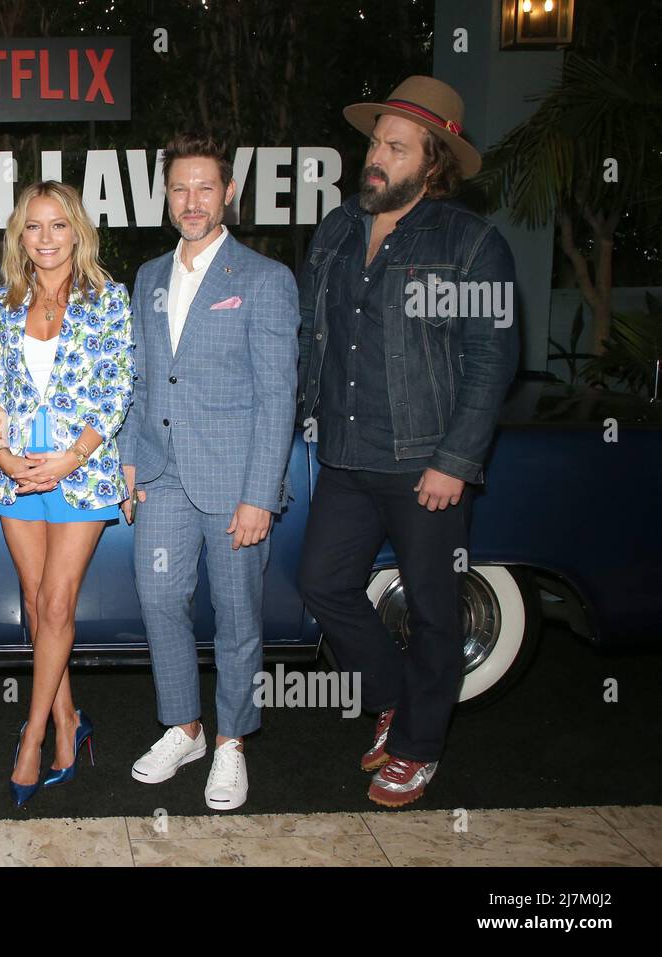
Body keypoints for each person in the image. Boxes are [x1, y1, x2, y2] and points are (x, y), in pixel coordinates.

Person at [295, 76, 518, 808]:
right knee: (322, 583)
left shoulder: (469, 242)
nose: (377, 157)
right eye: (375, 142)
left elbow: (491, 360)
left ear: (435, 161)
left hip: (425, 460)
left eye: (396, 146)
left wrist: (455, 459)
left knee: (432, 608)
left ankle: (418, 746)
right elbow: (311, 336)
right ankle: (393, 697)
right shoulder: (336, 228)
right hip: (345, 457)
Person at [118, 133, 299, 812]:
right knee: (160, 598)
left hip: (233, 484)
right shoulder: (149, 279)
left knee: (237, 617)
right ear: (166, 197)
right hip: (161, 475)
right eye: (179, 189)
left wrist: (260, 495)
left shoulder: (263, 279)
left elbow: (278, 394)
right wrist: (129, 460)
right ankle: (184, 726)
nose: (191, 202)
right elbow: (140, 377)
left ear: (228, 193)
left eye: (204, 188)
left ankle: (231, 742)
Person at [0, 181, 133, 808]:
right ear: (21, 236)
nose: (45, 239)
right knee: (37, 609)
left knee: (59, 605)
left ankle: (33, 739)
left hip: (83, 472)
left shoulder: (108, 300)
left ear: (77, 232)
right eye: (33, 227)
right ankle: (70, 720)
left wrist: (68, 459)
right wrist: (4, 452)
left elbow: (117, 389)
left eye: (57, 226)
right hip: (15, 474)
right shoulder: (5, 301)